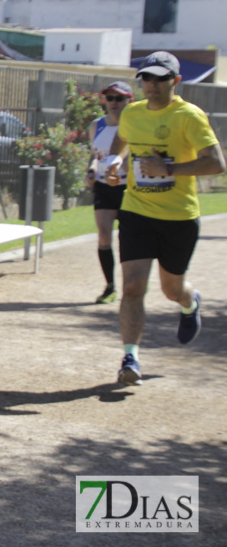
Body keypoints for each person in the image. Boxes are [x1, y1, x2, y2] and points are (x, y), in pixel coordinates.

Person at [105, 51, 225, 386]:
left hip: (179, 217)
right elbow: (121, 142)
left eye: (160, 78)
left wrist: (168, 168)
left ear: (176, 81)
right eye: (146, 78)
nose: (152, 85)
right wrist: (116, 163)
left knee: (172, 289)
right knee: (131, 287)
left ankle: (190, 303)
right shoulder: (132, 113)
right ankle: (130, 357)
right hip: (136, 212)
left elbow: (216, 163)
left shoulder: (189, 116)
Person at [84, 81, 132, 304]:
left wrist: (122, 166)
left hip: (127, 188)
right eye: (109, 98)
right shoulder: (97, 126)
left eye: (118, 98)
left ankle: (132, 284)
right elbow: (95, 155)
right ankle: (110, 286)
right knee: (104, 235)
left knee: (128, 238)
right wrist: (91, 172)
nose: (113, 103)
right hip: (104, 187)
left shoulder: (134, 127)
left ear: (128, 100)